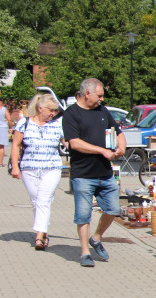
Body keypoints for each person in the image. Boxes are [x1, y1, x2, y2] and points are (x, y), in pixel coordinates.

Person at [62, 78, 125, 268]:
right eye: (99, 95)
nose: (102, 99)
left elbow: (118, 131)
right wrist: (101, 151)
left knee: (113, 209)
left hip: (105, 173)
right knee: (83, 215)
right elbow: (74, 143)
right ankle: (84, 252)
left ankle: (96, 238)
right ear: (87, 93)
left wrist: (121, 147)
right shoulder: (71, 114)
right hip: (83, 174)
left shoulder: (102, 111)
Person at [10, 94, 65, 250]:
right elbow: (16, 145)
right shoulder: (24, 123)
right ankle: (44, 230)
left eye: (55, 111)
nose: (53, 114)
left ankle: (40, 235)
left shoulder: (57, 125)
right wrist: (15, 166)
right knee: (37, 201)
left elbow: (68, 143)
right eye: (51, 110)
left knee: (43, 199)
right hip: (29, 168)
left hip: (52, 168)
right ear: (40, 109)